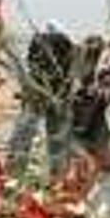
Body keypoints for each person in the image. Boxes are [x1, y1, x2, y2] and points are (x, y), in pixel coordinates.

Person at [7, 23, 76, 178]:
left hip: (42, 92)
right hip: (54, 93)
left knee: (25, 132)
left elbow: (31, 63)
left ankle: (14, 175)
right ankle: (59, 178)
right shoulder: (64, 44)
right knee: (56, 138)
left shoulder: (40, 42)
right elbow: (69, 69)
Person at [71, 36, 110, 173]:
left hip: (93, 116)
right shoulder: (85, 66)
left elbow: (108, 92)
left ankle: (92, 166)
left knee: (99, 153)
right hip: (85, 116)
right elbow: (80, 88)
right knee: (86, 149)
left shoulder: (103, 67)